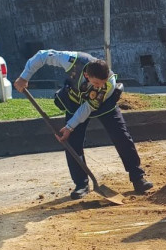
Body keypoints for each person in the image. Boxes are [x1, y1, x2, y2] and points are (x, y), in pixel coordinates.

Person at [14, 50, 153, 199]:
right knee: (72, 142)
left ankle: (138, 178)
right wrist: (24, 77)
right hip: (74, 100)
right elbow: (42, 55)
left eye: (102, 83)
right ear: (87, 75)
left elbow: (88, 107)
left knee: (121, 136)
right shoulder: (71, 61)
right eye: (96, 83)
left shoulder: (108, 85)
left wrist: (69, 125)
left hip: (103, 104)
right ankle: (81, 184)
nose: (99, 86)